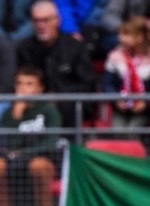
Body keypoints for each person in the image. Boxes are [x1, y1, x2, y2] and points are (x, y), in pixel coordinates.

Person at [0, 66, 62, 206]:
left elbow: (51, 143)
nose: (23, 88)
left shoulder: (49, 111)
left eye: (29, 84)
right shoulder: (9, 113)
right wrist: (16, 116)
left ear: (40, 88)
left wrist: (25, 153)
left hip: (43, 160)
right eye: (19, 84)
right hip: (15, 160)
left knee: (38, 166)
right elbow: (8, 143)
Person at [15, 0, 97, 129]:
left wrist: (59, 95)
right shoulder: (25, 49)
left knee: (68, 106)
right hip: (34, 102)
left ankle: (67, 146)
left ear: (57, 20)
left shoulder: (75, 47)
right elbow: (20, 79)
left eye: (46, 20)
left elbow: (88, 84)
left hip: (68, 103)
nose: (41, 25)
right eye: (37, 21)